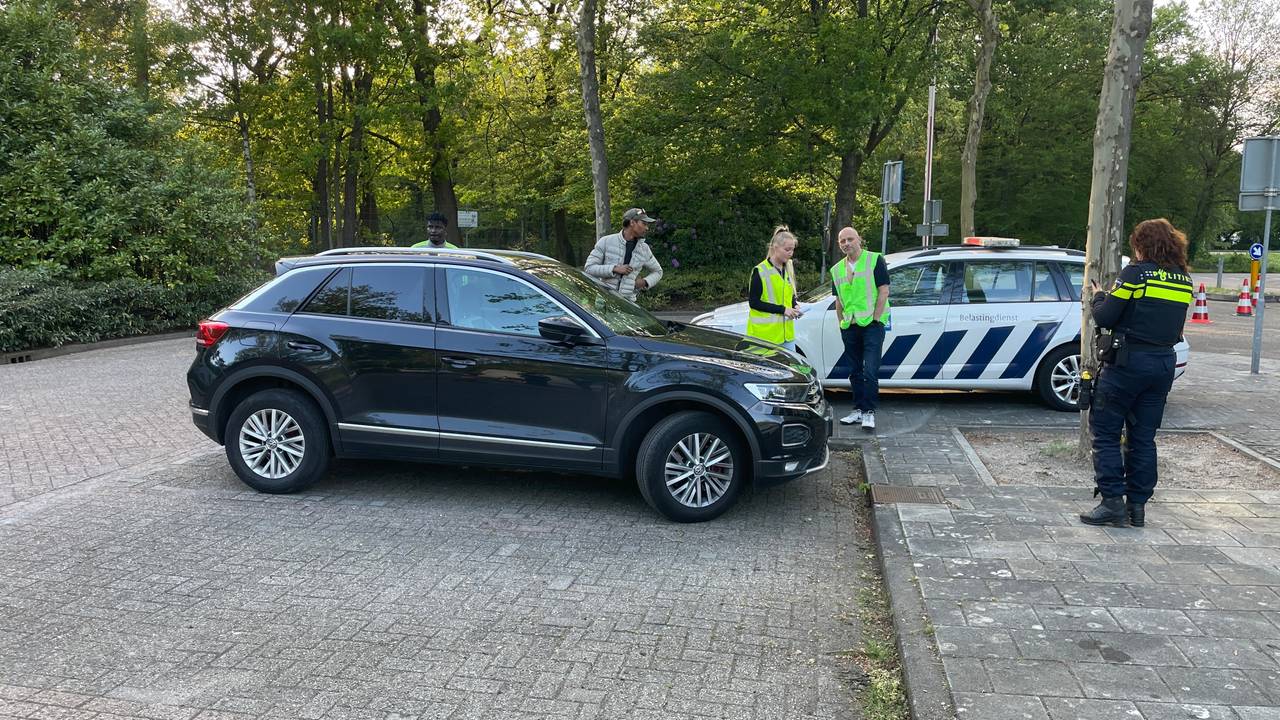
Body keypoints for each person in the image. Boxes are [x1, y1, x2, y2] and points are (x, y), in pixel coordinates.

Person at [1080, 218, 1193, 528]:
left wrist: (1099, 295)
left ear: (1142, 245)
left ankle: (1112, 503)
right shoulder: (1183, 280)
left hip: (1128, 364)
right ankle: (1137, 507)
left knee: (1105, 432)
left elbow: (1105, 316)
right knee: (1143, 438)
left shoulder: (1136, 274)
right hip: (1162, 365)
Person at [831, 227, 889, 430]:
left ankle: (869, 412)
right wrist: (841, 323)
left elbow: (884, 291)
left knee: (870, 370)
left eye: (850, 239)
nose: (846, 243)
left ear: (859, 240)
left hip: (872, 325)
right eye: (842, 241)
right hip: (850, 325)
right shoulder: (837, 269)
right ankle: (857, 409)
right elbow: (838, 300)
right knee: (854, 371)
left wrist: (875, 319)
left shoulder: (874, 260)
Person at [584, 208, 663, 302]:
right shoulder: (606, 241)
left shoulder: (644, 249)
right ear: (632, 222)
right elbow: (589, 268)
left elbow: (658, 272)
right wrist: (614, 268)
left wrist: (644, 282)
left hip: (627, 305)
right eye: (644, 224)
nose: (647, 228)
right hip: (604, 303)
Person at [746, 226, 803, 351]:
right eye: (787, 249)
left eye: (792, 250)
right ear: (775, 248)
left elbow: (788, 295)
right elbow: (754, 303)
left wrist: (795, 305)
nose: (790, 253)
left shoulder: (788, 268)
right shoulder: (760, 271)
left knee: (794, 369)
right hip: (765, 338)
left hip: (786, 337)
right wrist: (783, 310)